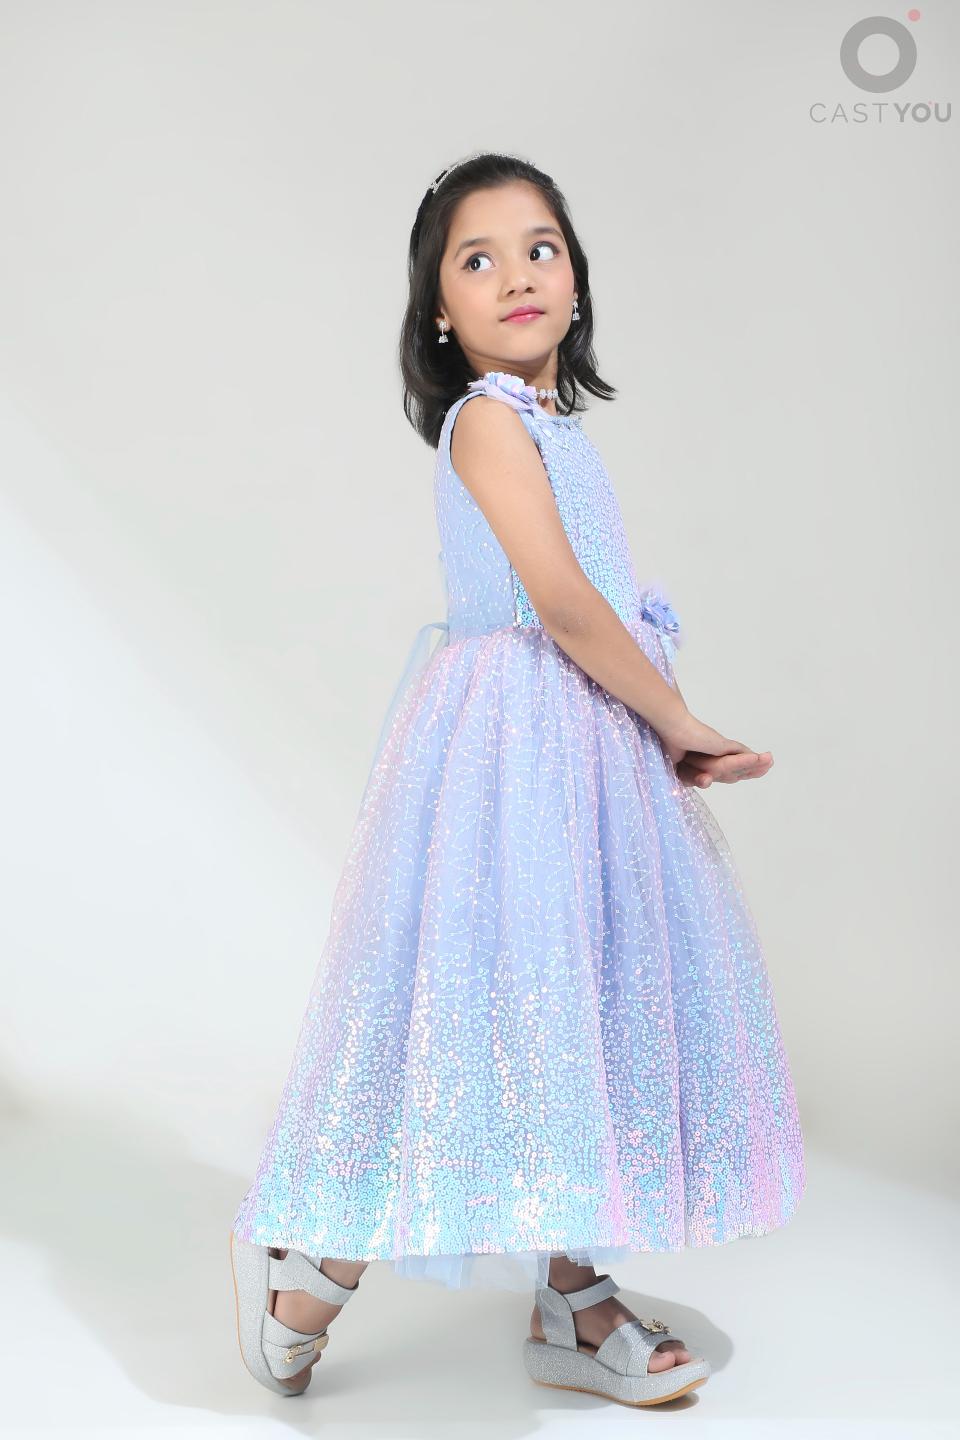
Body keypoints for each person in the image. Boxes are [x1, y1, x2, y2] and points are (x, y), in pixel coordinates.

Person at [229, 150, 805, 1408]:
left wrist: (642, 726)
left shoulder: (554, 427)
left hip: (582, 747)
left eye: (540, 247)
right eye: (477, 259)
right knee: (472, 1020)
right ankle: (306, 1275)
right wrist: (677, 721)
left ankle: (572, 1297)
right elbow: (563, 603)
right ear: (439, 309)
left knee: (578, 1007)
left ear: (577, 278)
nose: (516, 275)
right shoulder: (486, 419)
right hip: (518, 751)